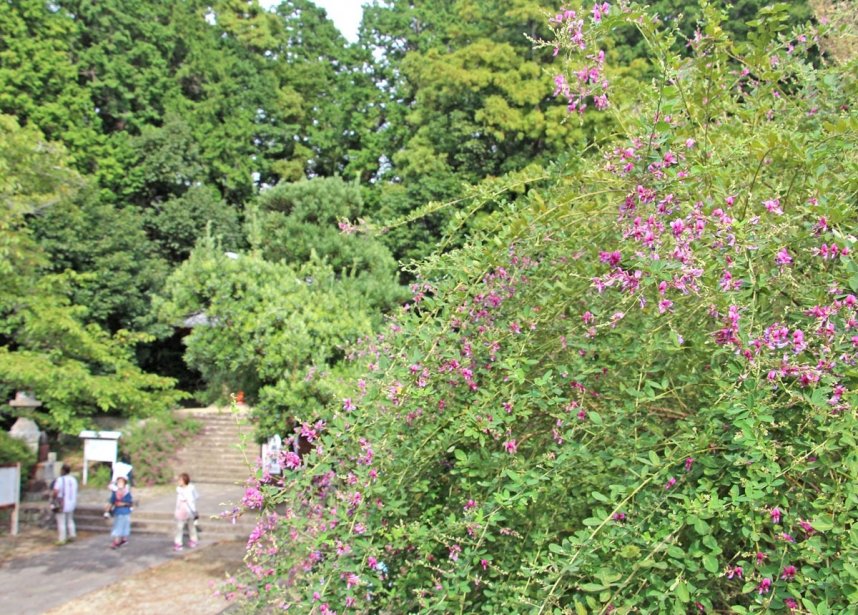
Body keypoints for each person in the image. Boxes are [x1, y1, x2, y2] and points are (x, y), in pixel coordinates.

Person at [52, 464, 78, 545]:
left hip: (62, 503)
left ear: (62, 470)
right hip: (72, 502)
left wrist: (53, 497)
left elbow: (56, 491)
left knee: (61, 521)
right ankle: (72, 535)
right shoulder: (73, 480)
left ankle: (62, 539)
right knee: (70, 519)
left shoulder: (60, 479)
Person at [173, 472, 199, 551]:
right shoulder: (179, 489)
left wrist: (190, 501)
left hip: (189, 510)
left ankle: (194, 540)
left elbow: (196, 496)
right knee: (179, 527)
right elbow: (178, 502)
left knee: (191, 526)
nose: (179, 482)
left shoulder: (191, 488)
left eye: (181, 480)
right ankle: (178, 543)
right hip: (181, 509)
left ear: (185, 480)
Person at [106, 476, 133, 549]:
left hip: (125, 511)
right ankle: (119, 539)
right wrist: (107, 510)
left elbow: (130, 502)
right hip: (118, 511)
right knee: (118, 525)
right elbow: (111, 501)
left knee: (122, 525)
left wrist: (122, 504)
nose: (119, 484)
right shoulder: (115, 493)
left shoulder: (126, 492)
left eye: (121, 482)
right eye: (118, 482)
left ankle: (118, 540)